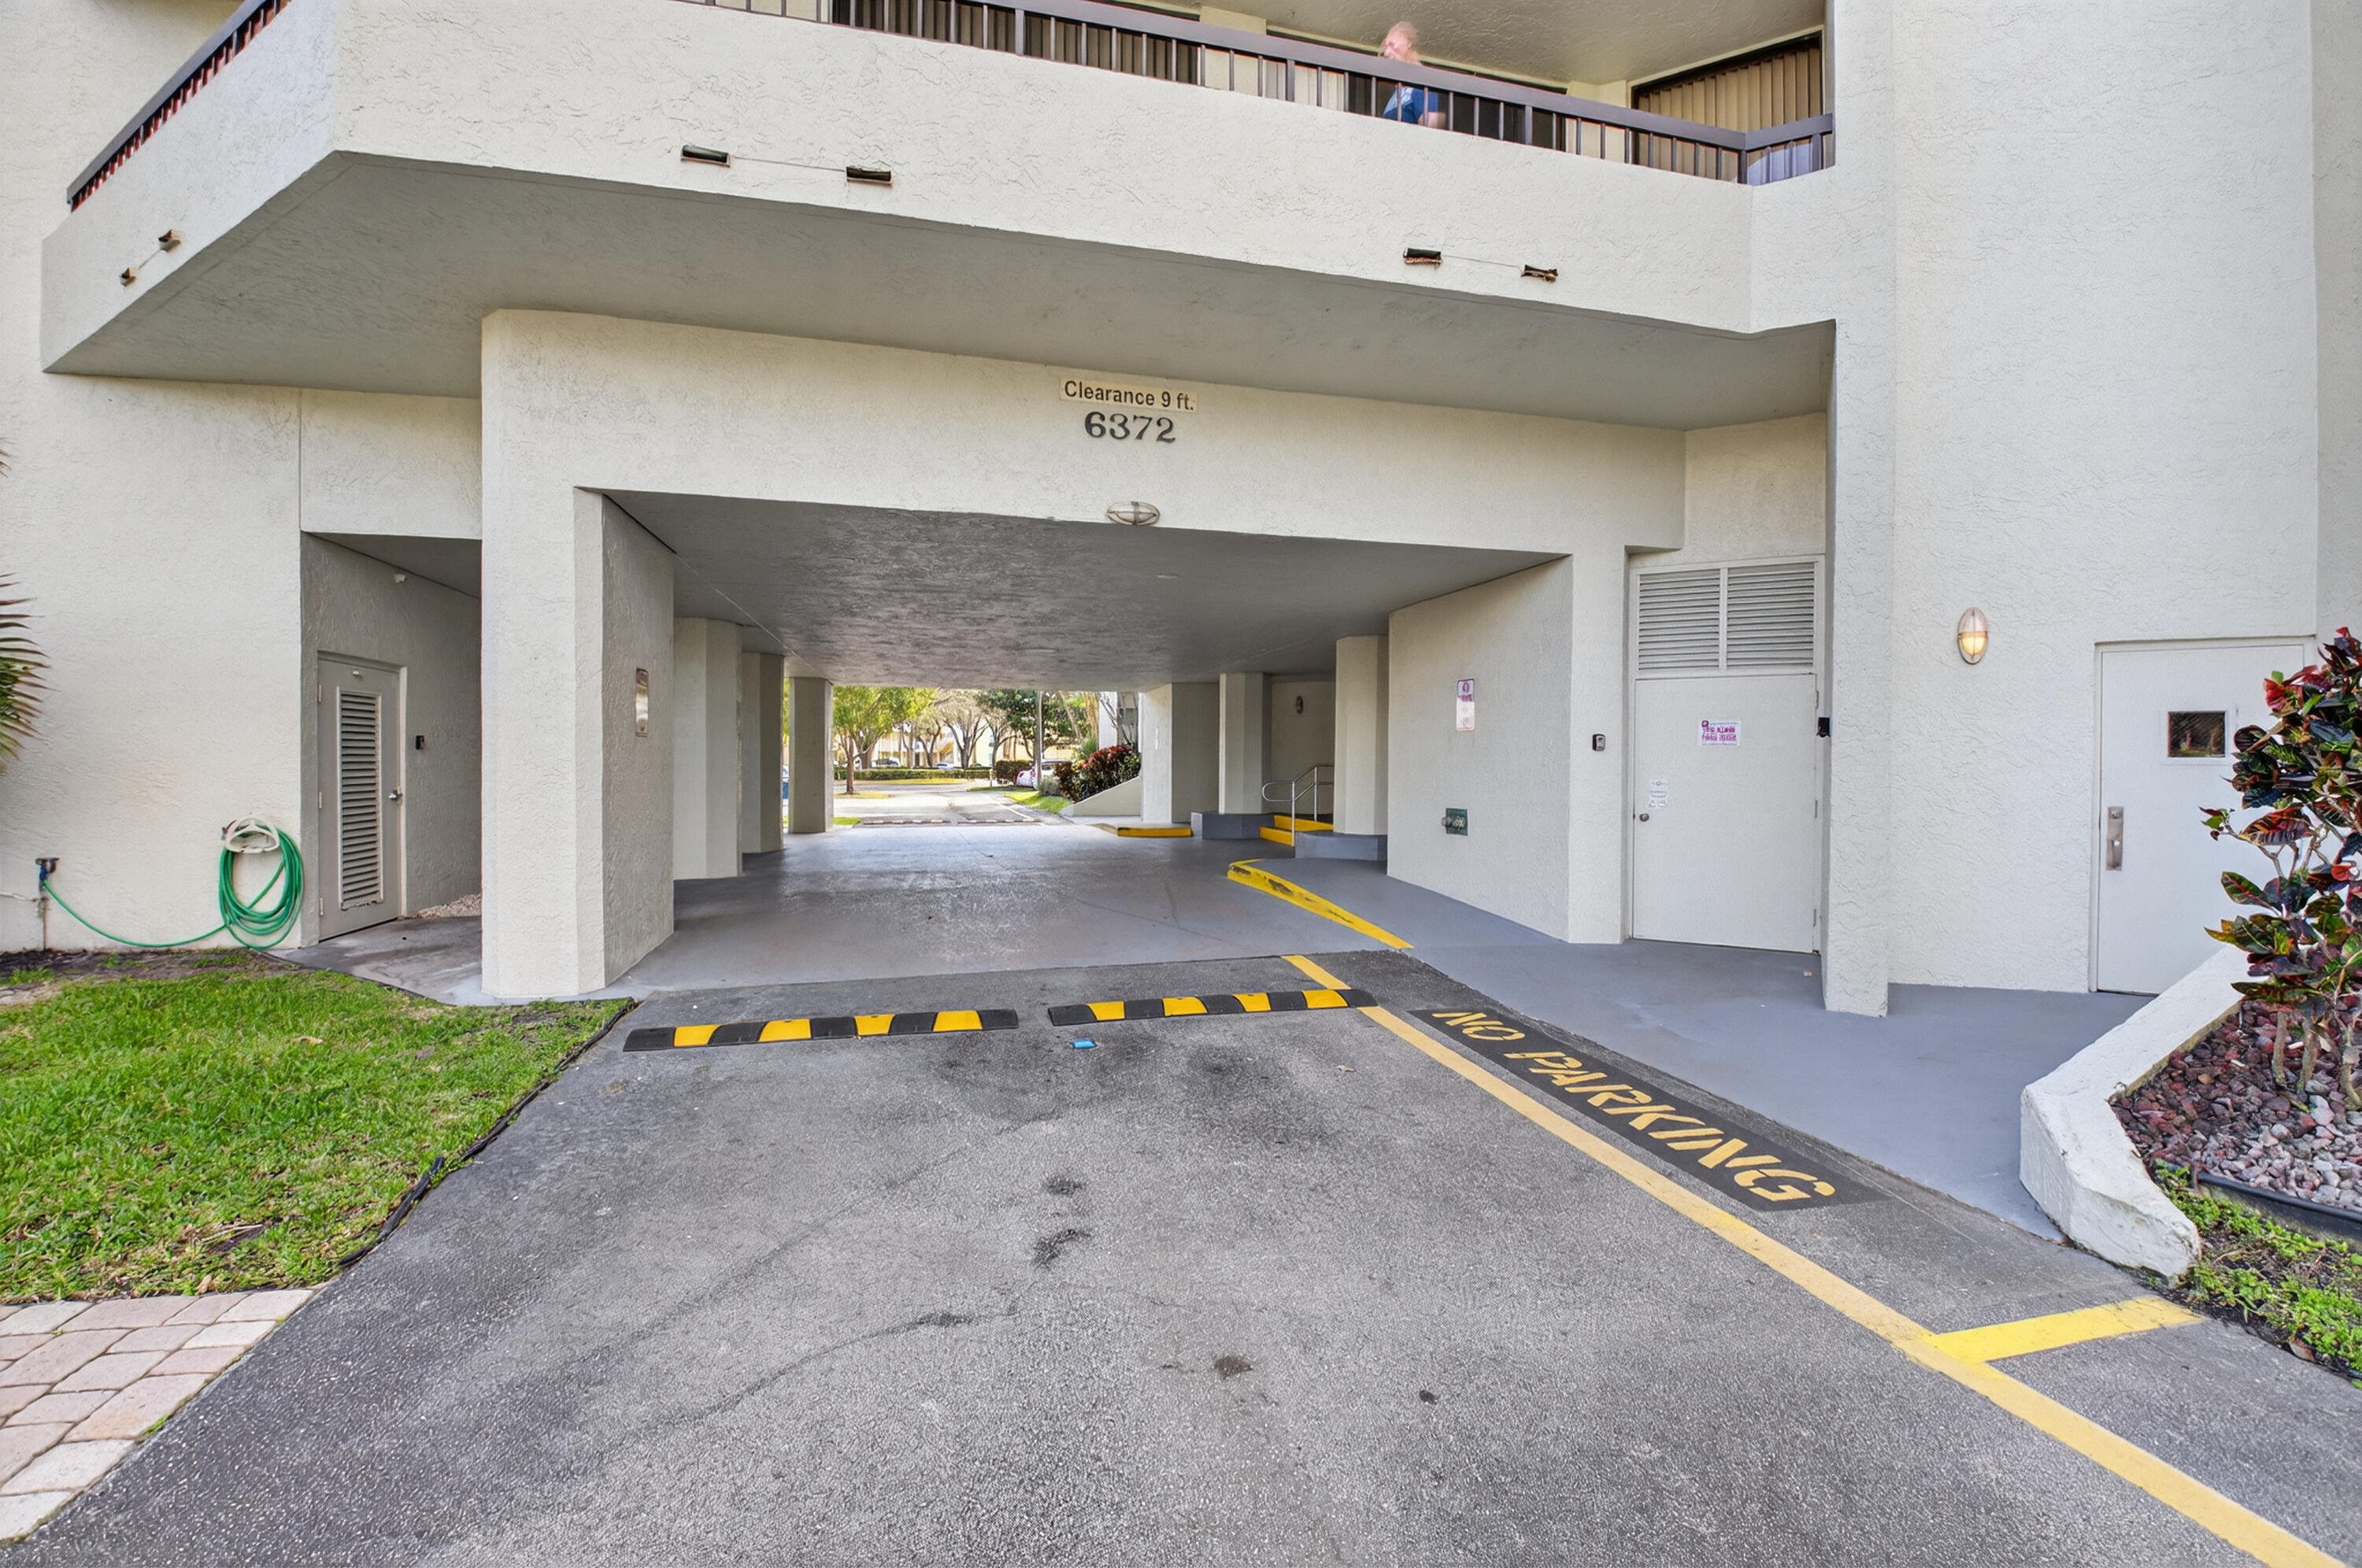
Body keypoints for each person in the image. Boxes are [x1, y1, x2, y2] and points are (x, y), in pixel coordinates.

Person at [1378, 22, 1446, 128]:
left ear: (1409, 43)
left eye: (1391, 45)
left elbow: (1430, 129)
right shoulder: (1400, 88)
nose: (1386, 53)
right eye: (1386, 46)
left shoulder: (1421, 80)